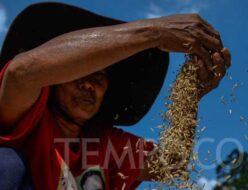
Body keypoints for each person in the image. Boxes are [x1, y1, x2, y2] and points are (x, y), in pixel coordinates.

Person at [0, 2, 230, 190]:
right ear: (54, 79)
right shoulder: (29, 114)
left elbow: (171, 164)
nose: (89, 85)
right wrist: (155, 32)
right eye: (78, 74)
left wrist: (191, 96)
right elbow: (21, 73)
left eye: (98, 76)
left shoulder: (103, 142)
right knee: (8, 164)